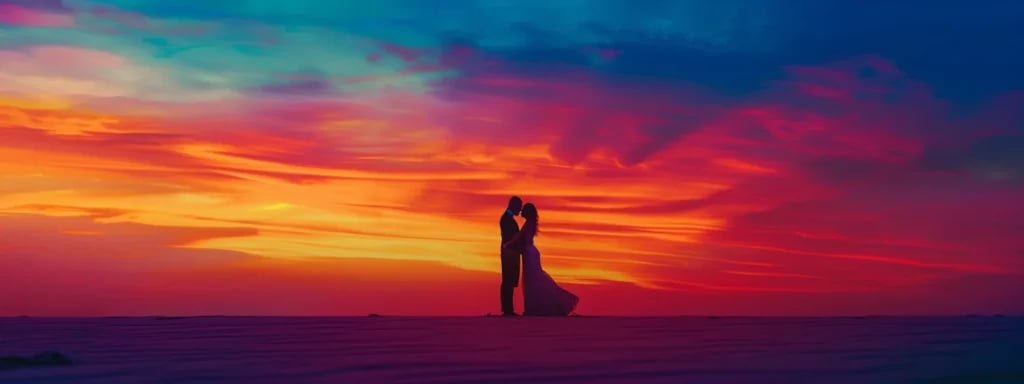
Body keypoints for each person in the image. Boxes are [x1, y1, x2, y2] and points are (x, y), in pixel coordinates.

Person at [503, 203, 579, 316]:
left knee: (532, 281)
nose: (521, 211)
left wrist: (507, 245)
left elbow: (518, 238)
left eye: (523, 210)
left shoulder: (528, 224)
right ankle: (536, 307)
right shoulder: (531, 223)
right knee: (535, 280)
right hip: (531, 252)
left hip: (529, 254)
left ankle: (537, 308)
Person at [499, 196, 524, 316]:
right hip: (509, 253)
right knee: (508, 280)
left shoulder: (508, 218)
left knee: (510, 280)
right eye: (519, 207)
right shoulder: (506, 219)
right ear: (513, 205)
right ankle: (507, 309)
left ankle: (508, 308)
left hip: (511, 253)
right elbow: (510, 238)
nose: (520, 210)